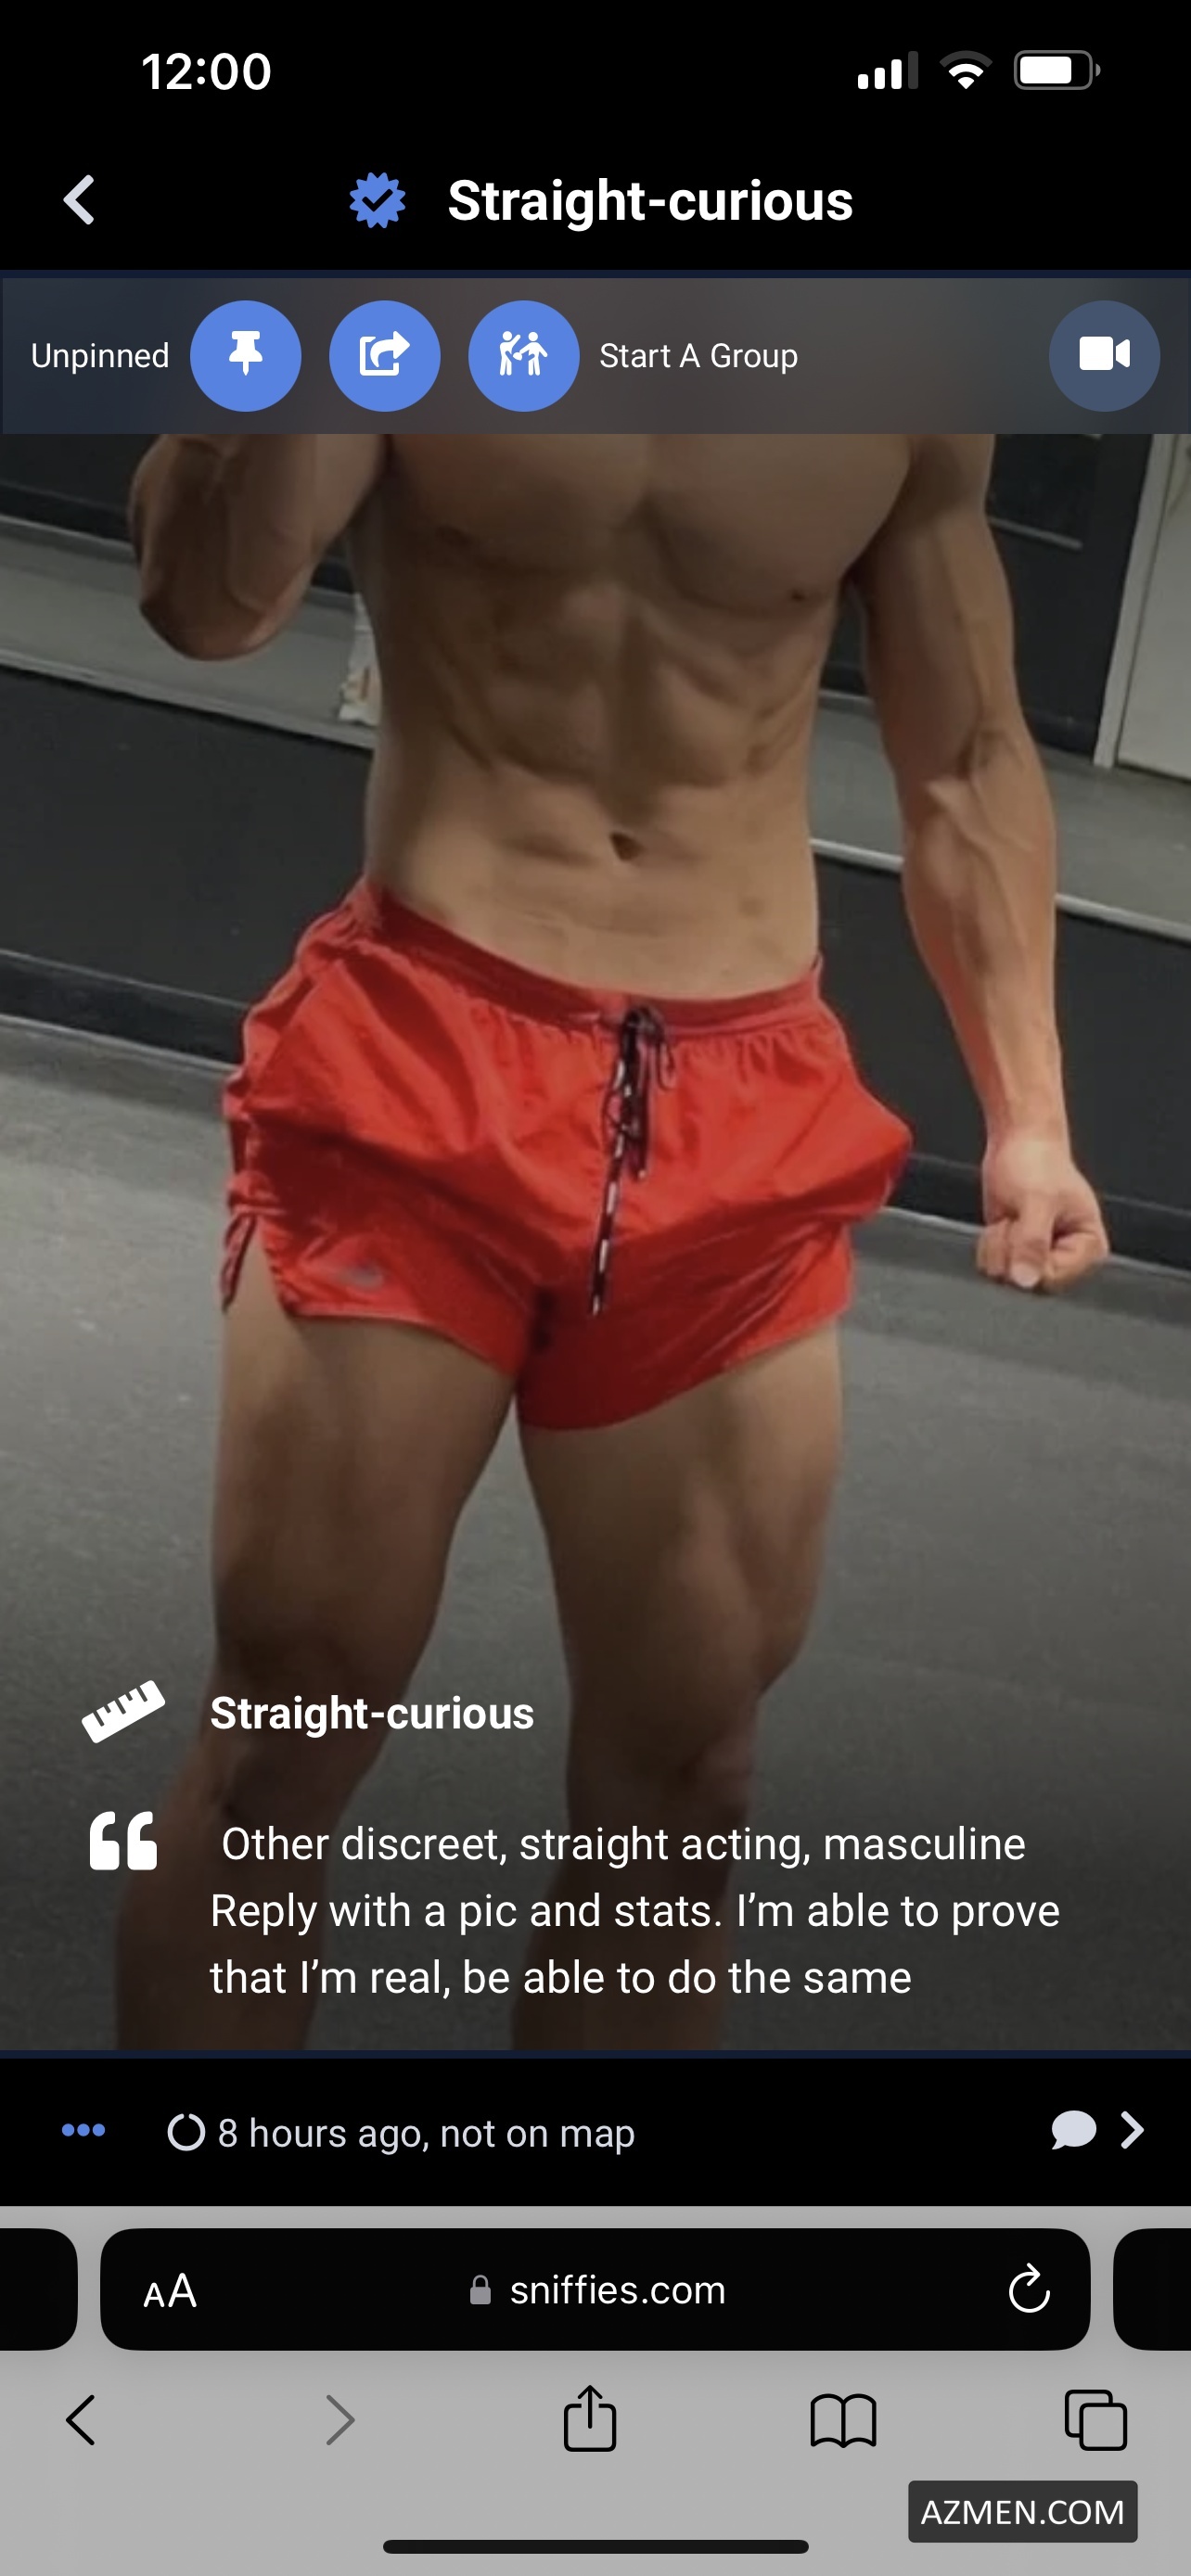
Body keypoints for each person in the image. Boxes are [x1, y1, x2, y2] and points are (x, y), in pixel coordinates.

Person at [117, 432, 1108, 2050]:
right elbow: (202, 605)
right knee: (290, 1725)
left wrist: (1033, 1113)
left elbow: (970, 750)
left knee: (683, 1785)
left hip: (739, 1101)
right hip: (429, 1047)